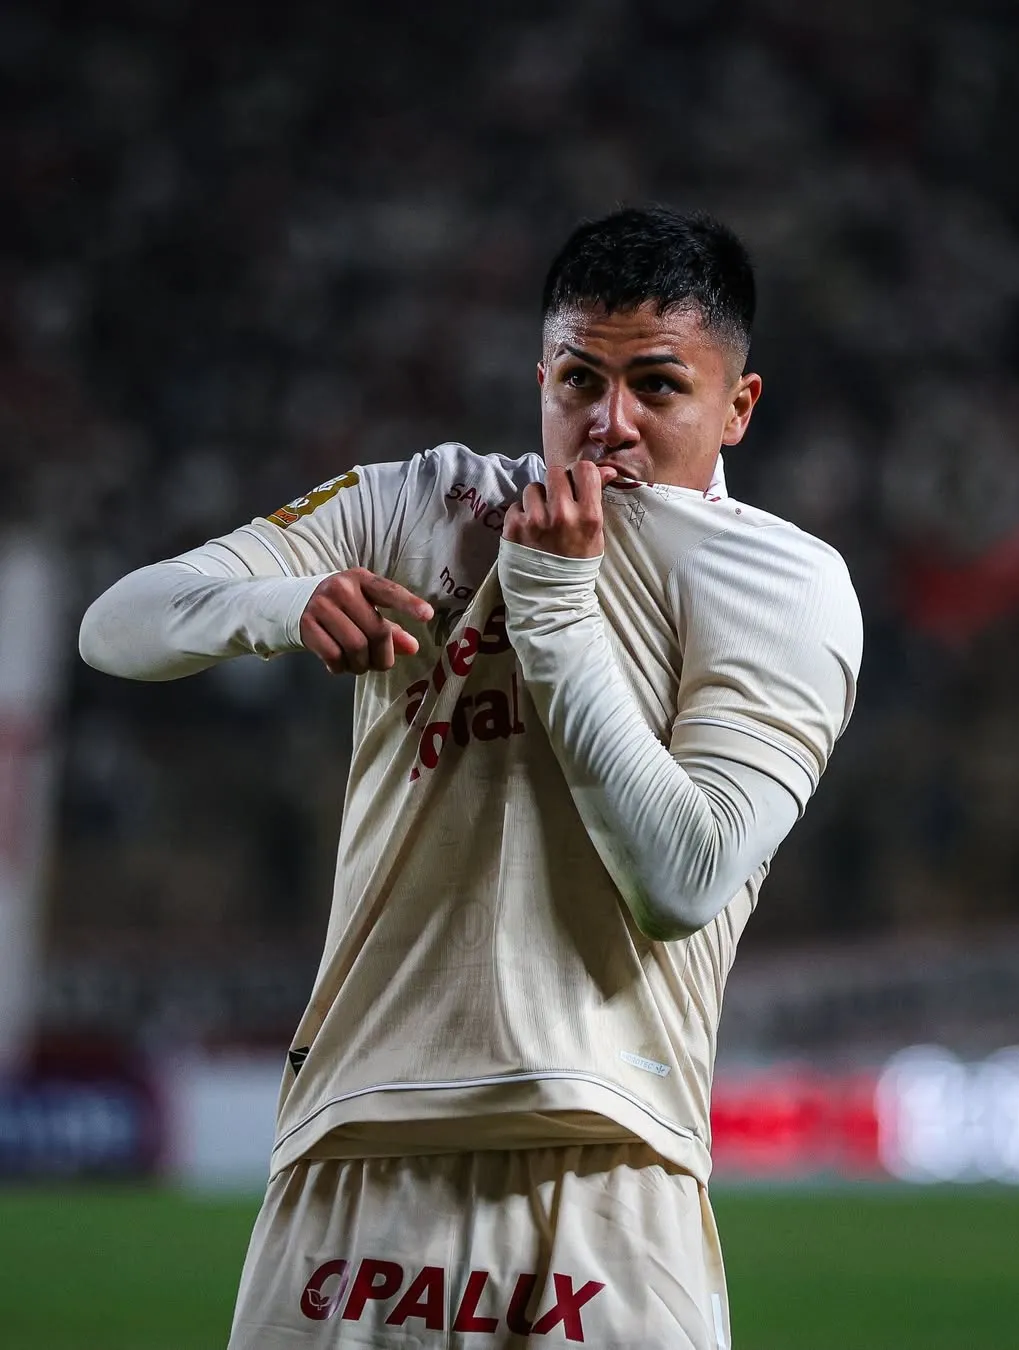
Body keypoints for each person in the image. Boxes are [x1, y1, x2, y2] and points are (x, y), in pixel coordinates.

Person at [80, 205, 862, 1349]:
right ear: (540, 373)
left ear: (738, 405)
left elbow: (682, 877)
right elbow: (118, 623)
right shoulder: (424, 504)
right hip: (350, 1150)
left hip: (605, 1157)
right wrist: (281, 603)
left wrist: (548, 608)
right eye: (579, 380)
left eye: (658, 386)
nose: (610, 425)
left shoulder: (780, 583)